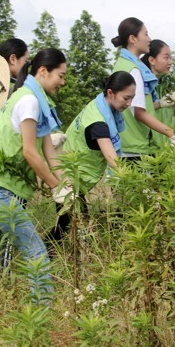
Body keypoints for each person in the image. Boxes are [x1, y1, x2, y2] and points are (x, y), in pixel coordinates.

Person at [0, 48, 71, 314]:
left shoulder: (33, 100)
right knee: (37, 254)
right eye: (61, 75)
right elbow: (29, 151)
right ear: (43, 71)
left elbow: (49, 154)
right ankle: (41, 322)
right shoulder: (29, 101)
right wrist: (53, 186)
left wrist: (66, 186)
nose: (63, 82)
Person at [46, 71, 136, 244]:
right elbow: (113, 160)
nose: (129, 103)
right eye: (126, 98)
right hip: (70, 177)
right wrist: (138, 183)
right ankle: (42, 257)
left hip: (75, 176)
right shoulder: (99, 123)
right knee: (66, 226)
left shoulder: (100, 106)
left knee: (76, 223)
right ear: (111, 93)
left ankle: (55, 258)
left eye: (132, 98)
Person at [111, 17, 175, 160]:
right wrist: (170, 133)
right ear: (133, 39)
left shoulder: (121, 63)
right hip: (135, 146)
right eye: (146, 34)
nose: (149, 39)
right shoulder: (135, 70)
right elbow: (139, 112)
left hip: (124, 143)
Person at [141, 39, 175, 148]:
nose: (170, 62)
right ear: (152, 60)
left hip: (164, 145)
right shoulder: (142, 82)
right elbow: (136, 110)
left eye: (170, 57)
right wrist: (159, 104)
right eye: (166, 57)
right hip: (146, 146)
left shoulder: (164, 83)